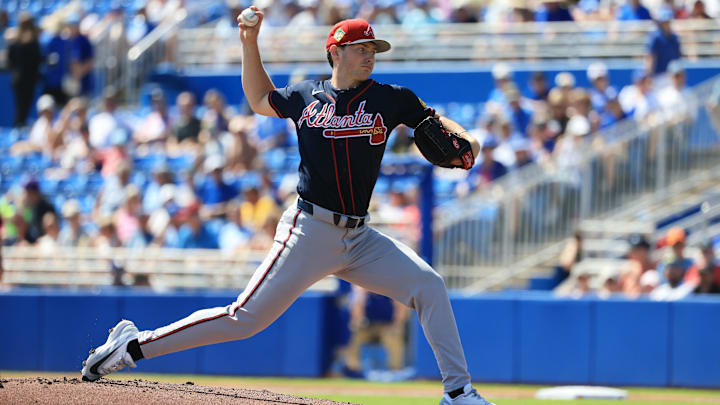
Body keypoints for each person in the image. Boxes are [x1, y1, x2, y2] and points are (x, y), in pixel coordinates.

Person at [81, 13, 491, 405]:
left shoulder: (392, 98)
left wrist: (467, 139)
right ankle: (133, 346)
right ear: (335, 52)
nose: (369, 55)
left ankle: (457, 392)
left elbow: (439, 124)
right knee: (244, 318)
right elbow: (259, 98)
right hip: (309, 230)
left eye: (373, 49)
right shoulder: (304, 96)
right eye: (360, 47)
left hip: (361, 237)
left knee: (429, 285)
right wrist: (249, 41)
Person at [343, 287, 409, 374]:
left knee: (393, 339)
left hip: (386, 326)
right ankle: (353, 370)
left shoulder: (390, 289)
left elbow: (401, 308)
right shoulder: (362, 289)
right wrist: (358, 321)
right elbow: (356, 309)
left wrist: (397, 324)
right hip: (367, 326)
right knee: (353, 338)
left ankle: (395, 370)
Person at [7, 12, 42, 128]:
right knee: (24, 106)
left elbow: (10, 60)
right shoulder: (33, 41)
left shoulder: (15, 40)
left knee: (20, 106)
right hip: (29, 78)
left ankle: (19, 126)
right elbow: (37, 60)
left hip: (17, 78)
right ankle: (19, 128)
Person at [646, 9, 682, 76]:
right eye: (664, 22)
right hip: (657, 75)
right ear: (661, 23)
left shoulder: (675, 37)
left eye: (668, 22)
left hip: (672, 75)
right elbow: (650, 56)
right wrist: (649, 74)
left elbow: (677, 57)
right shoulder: (655, 37)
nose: (667, 24)